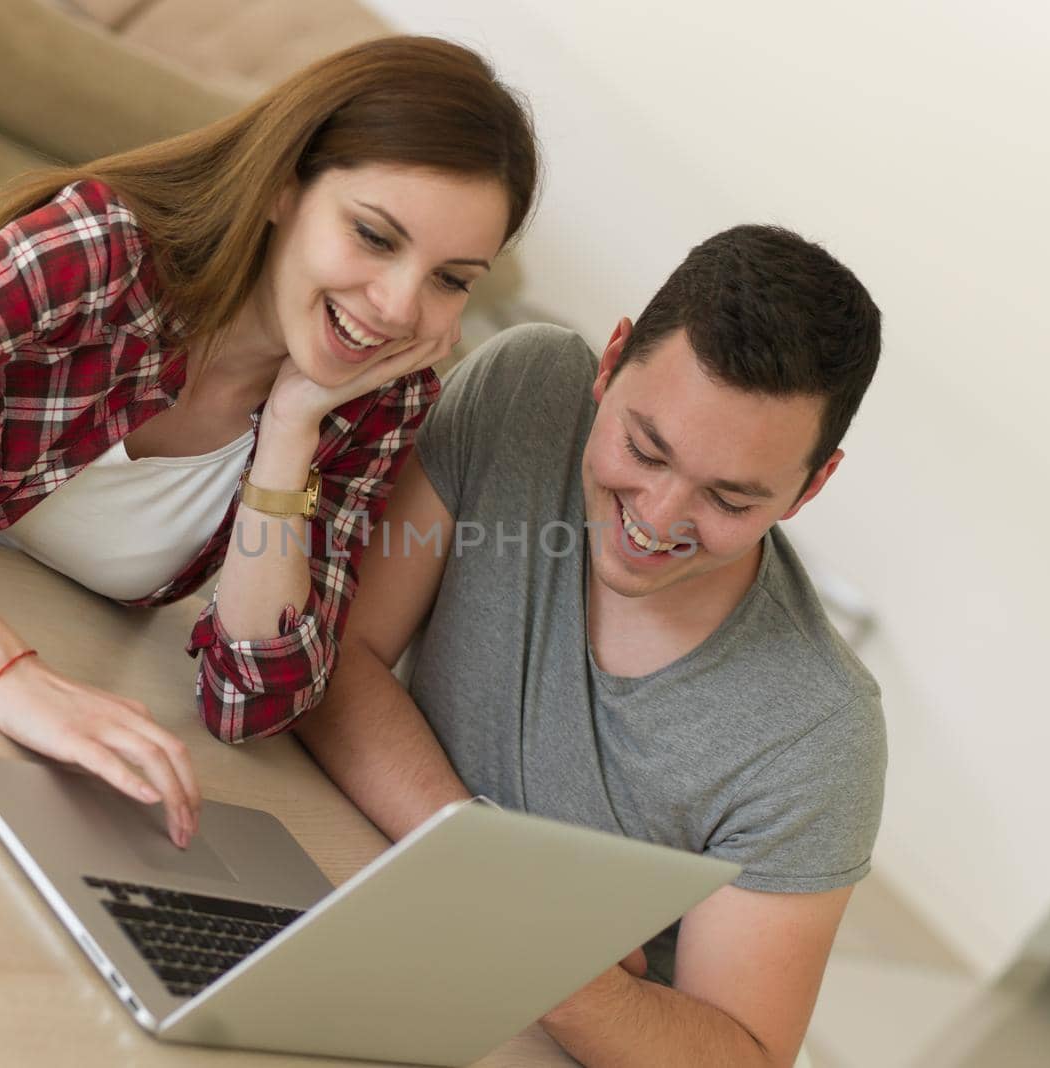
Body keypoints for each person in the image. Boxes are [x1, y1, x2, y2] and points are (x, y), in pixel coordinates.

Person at [0, 37, 537, 850]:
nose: (396, 307)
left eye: (451, 281)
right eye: (375, 237)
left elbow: (254, 700)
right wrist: (10, 678)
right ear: (284, 187)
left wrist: (290, 433)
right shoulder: (109, 250)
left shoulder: (377, 401)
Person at [296, 225, 885, 1066]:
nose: (659, 518)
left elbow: (744, 1055)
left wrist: (554, 969)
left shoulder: (819, 733)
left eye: (729, 498)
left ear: (810, 486)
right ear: (609, 363)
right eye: (645, 448)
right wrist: (493, 879)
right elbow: (336, 660)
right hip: (368, 893)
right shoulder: (528, 390)